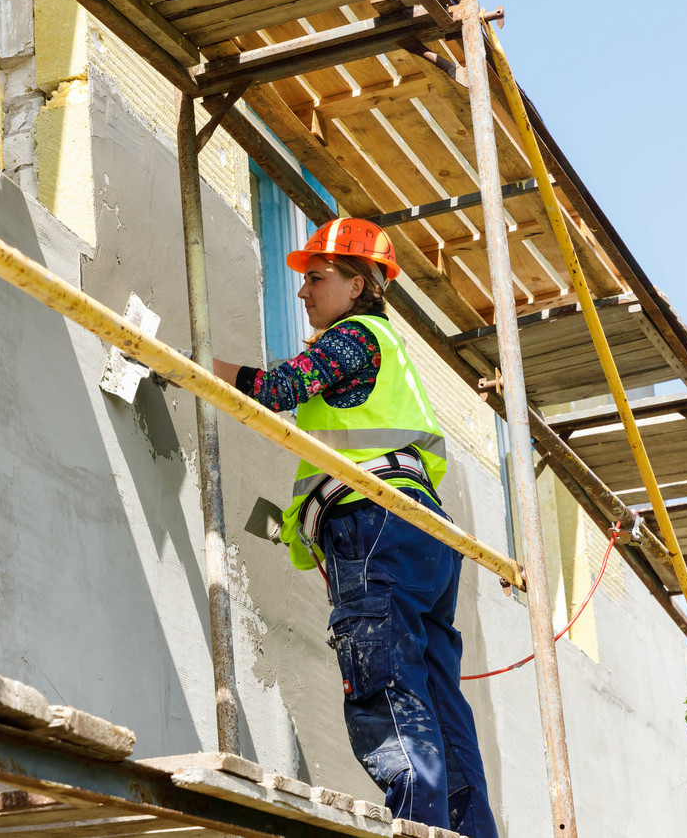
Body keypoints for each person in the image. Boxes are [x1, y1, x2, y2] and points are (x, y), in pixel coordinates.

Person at [213, 218, 499, 837]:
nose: (303, 292)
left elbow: (281, 387)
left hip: (375, 526)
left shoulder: (352, 338)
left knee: (387, 680)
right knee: (438, 697)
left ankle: (418, 828)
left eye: (317, 278)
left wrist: (201, 365)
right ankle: (467, 830)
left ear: (358, 283)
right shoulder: (384, 348)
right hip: (423, 534)